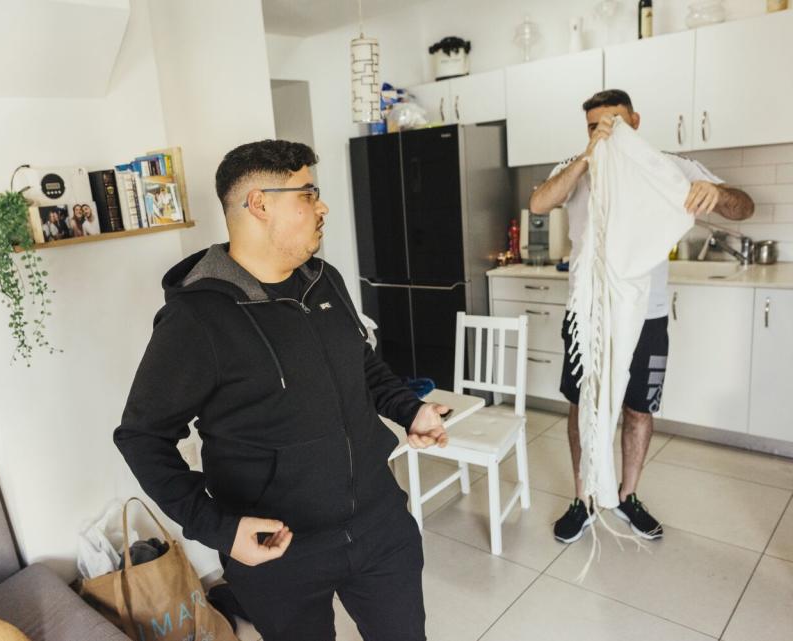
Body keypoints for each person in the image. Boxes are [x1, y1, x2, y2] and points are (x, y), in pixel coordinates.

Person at [114, 140, 451, 641]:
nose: (323, 207)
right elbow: (142, 437)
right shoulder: (197, 319)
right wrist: (220, 529)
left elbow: (362, 363)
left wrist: (410, 409)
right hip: (278, 550)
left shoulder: (324, 280)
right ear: (260, 204)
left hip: (380, 525)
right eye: (308, 194)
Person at [529, 89, 754, 544]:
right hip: (587, 315)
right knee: (584, 405)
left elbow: (743, 208)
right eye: (595, 126)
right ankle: (584, 496)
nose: (605, 131)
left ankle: (627, 495)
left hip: (646, 316)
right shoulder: (578, 165)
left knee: (638, 408)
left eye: (613, 121)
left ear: (635, 120)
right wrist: (589, 157)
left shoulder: (668, 166)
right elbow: (539, 203)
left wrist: (716, 191)